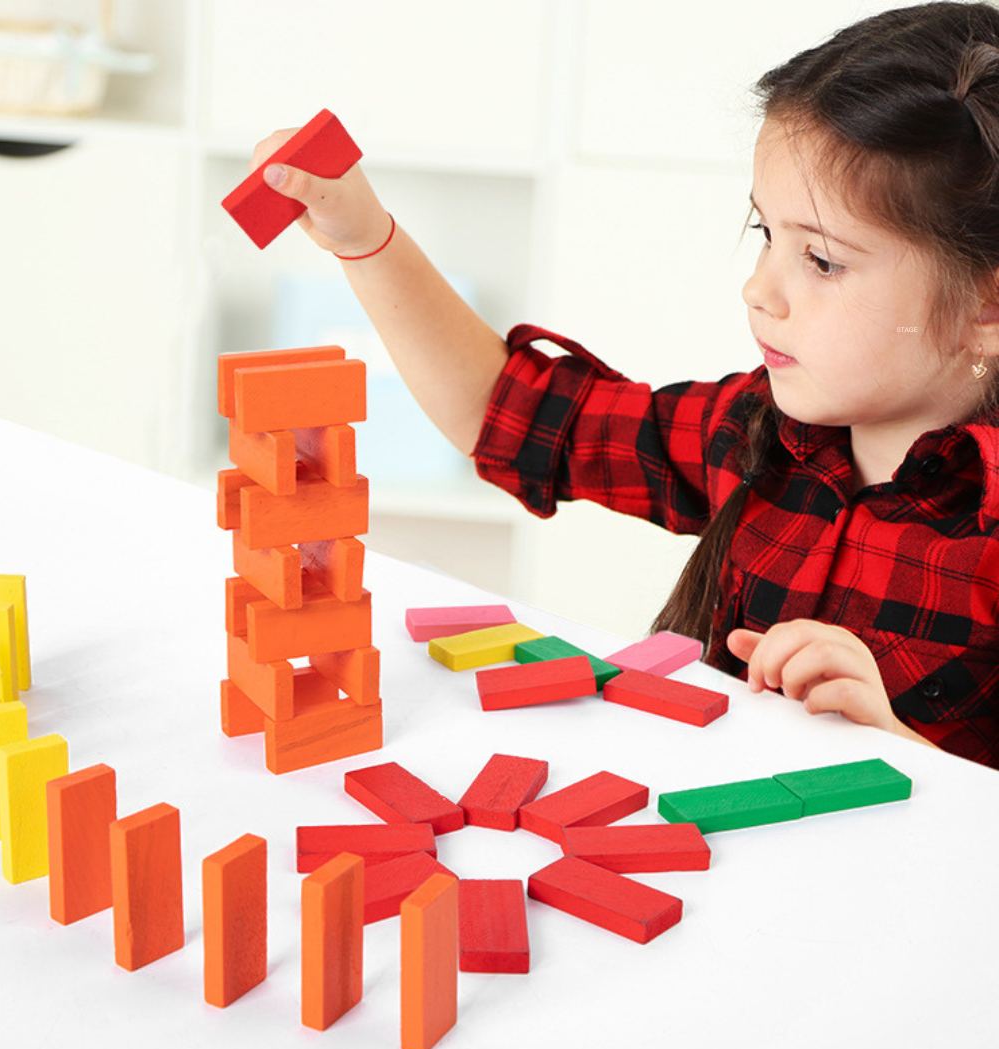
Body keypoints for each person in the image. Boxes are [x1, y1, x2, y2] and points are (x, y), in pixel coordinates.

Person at [246, 1, 999, 768]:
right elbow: (517, 416)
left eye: (824, 261)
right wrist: (363, 237)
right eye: (767, 235)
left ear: (987, 304)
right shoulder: (756, 430)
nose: (758, 290)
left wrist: (902, 752)